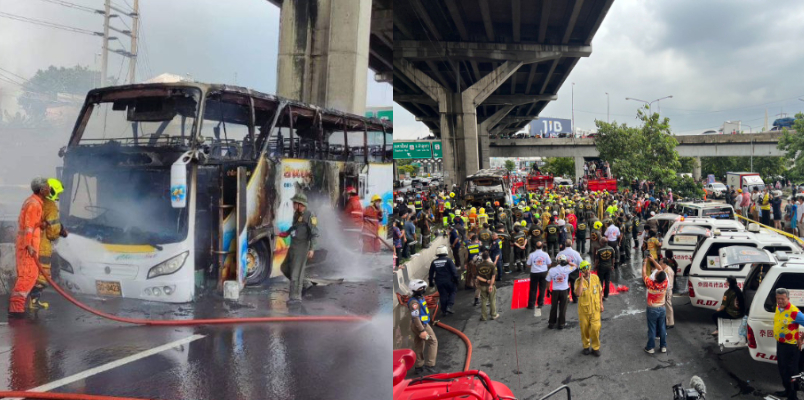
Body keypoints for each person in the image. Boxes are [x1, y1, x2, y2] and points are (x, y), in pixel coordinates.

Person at [8, 177, 49, 318]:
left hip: (28, 245)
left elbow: (31, 223)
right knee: (27, 276)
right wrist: (29, 245)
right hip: (28, 246)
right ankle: (16, 309)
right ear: (42, 189)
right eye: (47, 187)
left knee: (29, 275)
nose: (49, 189)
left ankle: (17, 307)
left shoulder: (33, 202)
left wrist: (41, 225)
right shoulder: (34, 204)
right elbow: (28, 227)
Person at [31, 178, 68, 310]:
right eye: (57, 192)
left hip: (30, 243)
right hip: (42, 246)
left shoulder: (34, 202)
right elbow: (52, 232)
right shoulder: (51, 206)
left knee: (30, 274)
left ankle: (22, 301)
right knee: (43, 276)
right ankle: (34, 301)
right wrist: (61, 232)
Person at [279, 193, 319, 304]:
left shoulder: (310, 215)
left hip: (302, 248)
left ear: (300, 204)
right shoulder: (297, 214)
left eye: (294, 203)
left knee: (295, 273)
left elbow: (315, 233)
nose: (292, 204)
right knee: (285, 268)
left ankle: (295, 297)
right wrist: (286, 233)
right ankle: (306, 284)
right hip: (293, 246)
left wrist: (312, 248)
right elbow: (295, 227)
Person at [773, 288, 804, 400]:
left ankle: (793, 397)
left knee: (791, 372)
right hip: (780, 344)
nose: (780, 301)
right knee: (782, 369)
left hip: (790, 347)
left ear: (788, 298)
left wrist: (801, 338)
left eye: (782, 299)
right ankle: (787, 391)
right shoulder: (778, 307)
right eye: (778, 299)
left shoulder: (794, 312)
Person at [407, 279, 438, 375]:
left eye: (423, 288)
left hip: (422, 324)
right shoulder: (414, 303)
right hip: (420, 325)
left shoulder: (420, 298)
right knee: (433, 341)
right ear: (414, 290)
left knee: (419, 344)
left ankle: (419, 366)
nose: (422, 289)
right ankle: (430, 365)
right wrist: (422, 330)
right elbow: (415, 317)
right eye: (420, 288)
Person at [576, 260, 604, 356]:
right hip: (584, 311)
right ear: (581, 271)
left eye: (588, 269)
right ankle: (586, 346)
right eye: (585, 270)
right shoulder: (578, 281)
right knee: (585, 330)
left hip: (595, 309)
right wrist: (582, 281)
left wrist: (601, 304)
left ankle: (595, 347)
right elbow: (578, 294)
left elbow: (600, 292)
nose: (587, 271)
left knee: (596, 329)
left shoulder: (595, 278)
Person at [643, 256, 668, 354]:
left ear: (656, 277)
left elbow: (644, 274)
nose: (658, 271)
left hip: (652, 309)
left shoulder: (650, 284)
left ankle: (650, 347)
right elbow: (660, 269)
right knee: (662, 327)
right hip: (662, 308)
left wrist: (645, 263)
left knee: (652, 328)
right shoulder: (664, 283)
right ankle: (663, 346)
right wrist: (653, 260)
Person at [546, 254, 576, 329]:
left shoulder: (552, 270)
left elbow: (548, 281)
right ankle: (561, 323)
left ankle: (551, 323)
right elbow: (575, 266)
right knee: (563, 308)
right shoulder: (566, 269)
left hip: (555, 290)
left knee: (554, 307)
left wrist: (548, 289)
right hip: (564, 290)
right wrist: (568, 262)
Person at [429, 245, 459, 316]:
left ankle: (444, 310)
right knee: (452, 292)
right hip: (449, 281)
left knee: (443, 295)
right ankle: (449, 306)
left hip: (439, 282)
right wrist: (456, 280)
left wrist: (431, 283)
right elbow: (454, 271)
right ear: (445, 252)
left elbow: (431, 274)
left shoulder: (434, 262)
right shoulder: (449, 260)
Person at [526, 241, 551, 317]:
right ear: (542, 247)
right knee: (542, 288)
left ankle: (531, 304)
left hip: (534, 272)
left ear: (535, 247)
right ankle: (540, 303)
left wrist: (534, 266)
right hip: (543, 272)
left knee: (533, 289)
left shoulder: (532, 255)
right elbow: (549, 263)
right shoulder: (545, 254)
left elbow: (528, 264)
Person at [476, 251, 499, 321]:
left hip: (482, 286)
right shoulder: (492, 265)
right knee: (492, 300)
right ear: (488, 257)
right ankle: (493, 315)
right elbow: (493, 276)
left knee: (483, 301)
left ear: (482, 258)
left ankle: (484, 316)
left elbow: (477, 277)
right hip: (490, 285)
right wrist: (491, 285)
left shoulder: (478, 266)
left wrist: (485, 281)